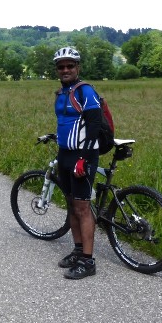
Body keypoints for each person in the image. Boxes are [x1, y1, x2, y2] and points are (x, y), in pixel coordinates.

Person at [52, 47, 102, 279]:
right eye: (61, 66)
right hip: (65, 154)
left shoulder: (85, 91)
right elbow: (66, 123)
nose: (65, 70)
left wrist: (83, 157)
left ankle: (88, 262)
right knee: (71, 204)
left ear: (77, 68)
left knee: (82, 208)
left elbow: (94, 125)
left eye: (70, 65)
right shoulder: (62, 93)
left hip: (83, 155)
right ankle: (78, 250)